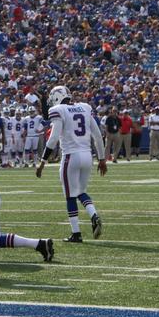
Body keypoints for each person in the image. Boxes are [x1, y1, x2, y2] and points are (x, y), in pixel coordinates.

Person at [36, 85, 106, 243]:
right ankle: (94, 215)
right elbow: (97, 135)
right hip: (87, 155)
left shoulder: (58, 110)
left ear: (56, 97)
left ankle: (76, 233)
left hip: (70, 156)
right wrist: (102, 158)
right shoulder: (84, 107)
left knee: (70, 196)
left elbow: (53, 138)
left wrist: (43, 162)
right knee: (80, 191)